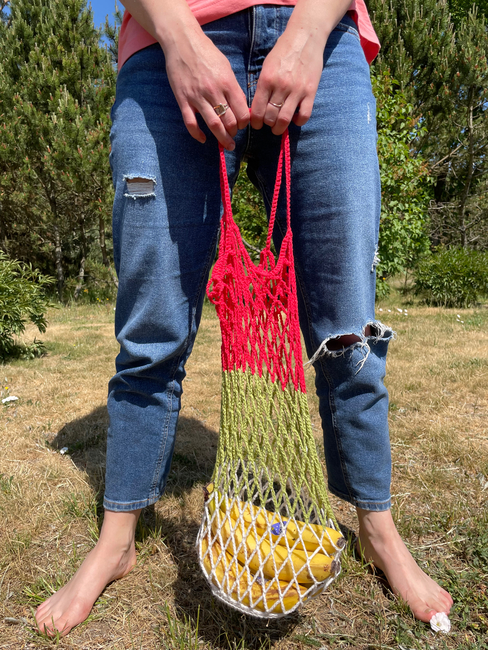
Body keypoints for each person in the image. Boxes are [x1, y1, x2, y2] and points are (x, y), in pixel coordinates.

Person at [35, 0, 453, 637]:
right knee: (152, 325)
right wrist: (178, 38)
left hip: (323, 38)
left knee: (349, 326)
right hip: (166, 43)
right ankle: (117, 536)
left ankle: (377, 527)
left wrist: (309, 31)